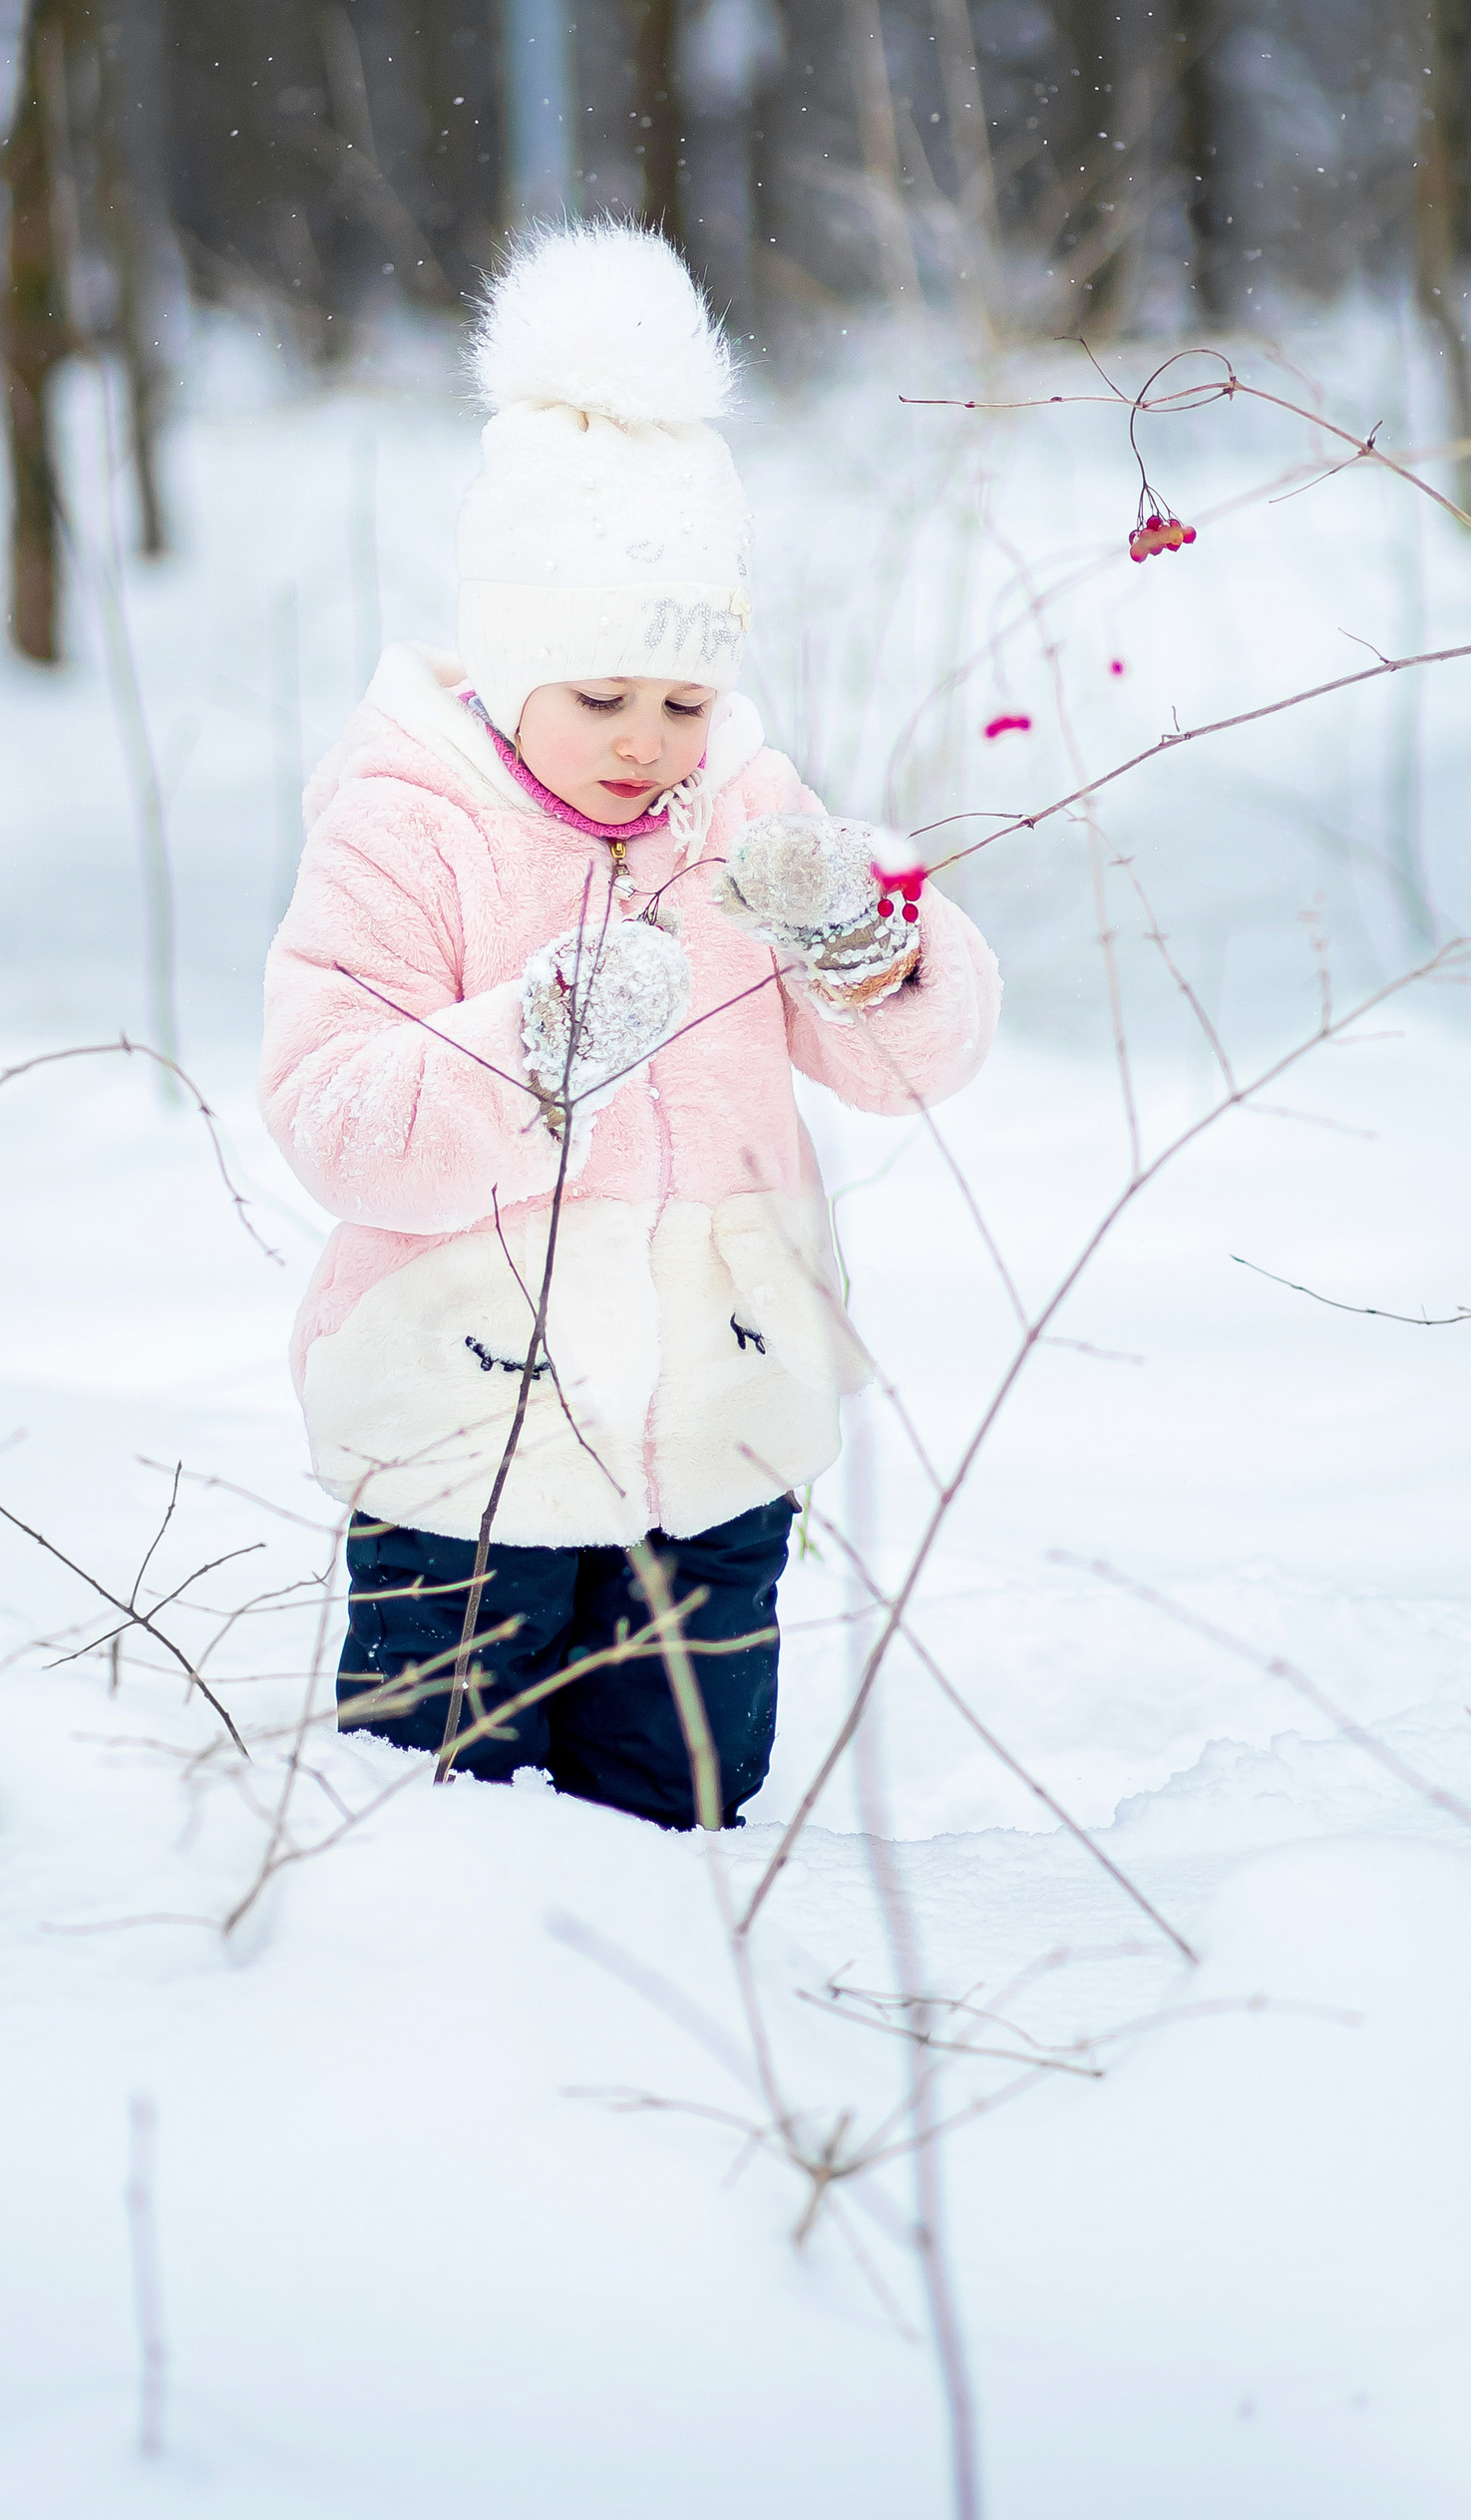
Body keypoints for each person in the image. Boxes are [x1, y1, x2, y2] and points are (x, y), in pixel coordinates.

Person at [258, 219, 1000, 1827]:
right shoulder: (407, 827)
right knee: (439, 1828)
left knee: (682, 1820)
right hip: (470, 1438)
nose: (647, 743)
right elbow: (332, 1116)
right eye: (600, 695)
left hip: (719, 1426)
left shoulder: (741, 806)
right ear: (508, 661)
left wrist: (874, 953)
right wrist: (535, 1049)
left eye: (684, 701)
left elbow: (899, 1070)